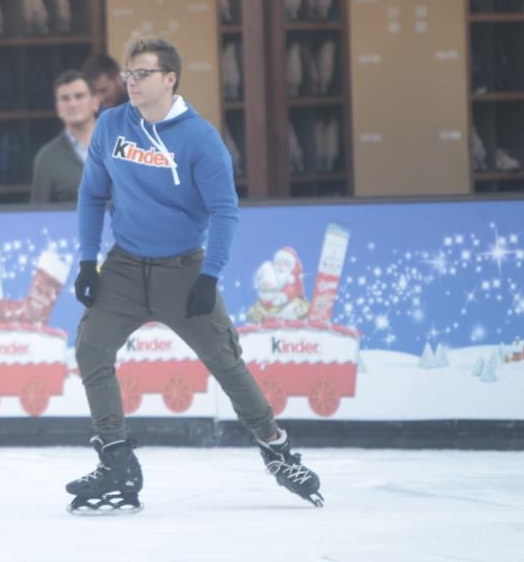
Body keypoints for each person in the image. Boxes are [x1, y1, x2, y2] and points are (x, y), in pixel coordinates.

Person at [66, 37, 323, 514]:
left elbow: (225, 211)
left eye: (142, 73)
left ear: (169, 79)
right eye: (128, 73)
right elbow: (91, 195)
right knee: (91, 347)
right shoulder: (111, 126)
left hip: (182, 269)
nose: (132, 81)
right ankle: (115, 456)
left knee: (224, 359)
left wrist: (210, 274)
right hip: (123, 265)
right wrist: (87, 260)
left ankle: (276, 448)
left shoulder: (200, 138)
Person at [31, 70, 99, 204]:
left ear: (95, 102)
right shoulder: (47, 158)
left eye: (79, 96)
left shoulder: (122, 147)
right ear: (58, 108)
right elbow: (38, 217)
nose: (72, 104)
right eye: (65, 99)